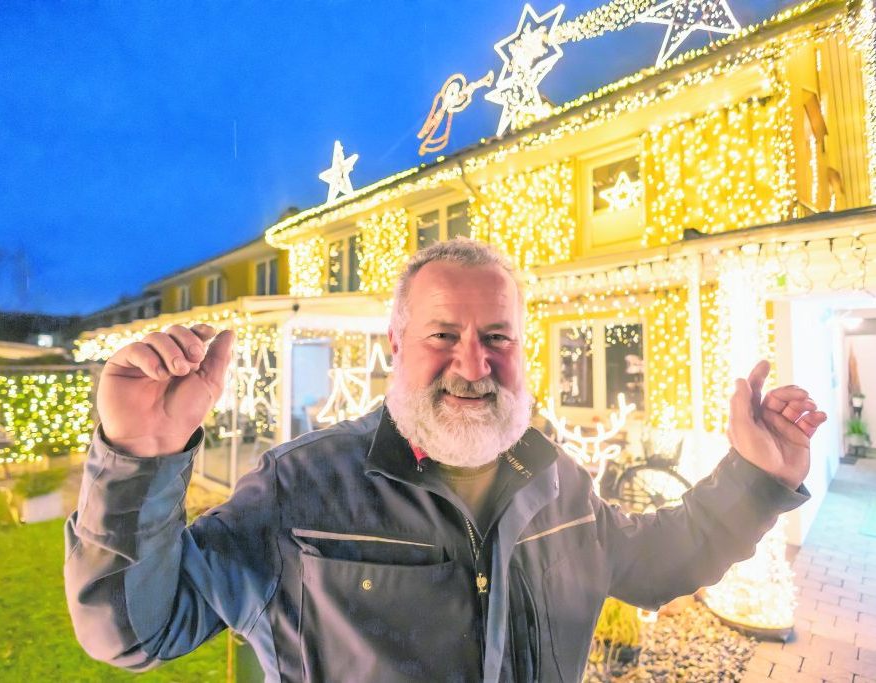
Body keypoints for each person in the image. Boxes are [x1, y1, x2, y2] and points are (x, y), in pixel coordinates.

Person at [65, 239, 827, 682]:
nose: (473, 363)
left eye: (498, 337)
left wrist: (758, 478)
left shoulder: (557, 481)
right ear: (395, 345)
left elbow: (662, 557)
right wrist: (135, 459)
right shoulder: (301, 490)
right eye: (442, 335)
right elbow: (134, 627)